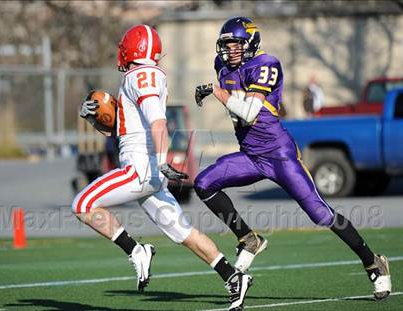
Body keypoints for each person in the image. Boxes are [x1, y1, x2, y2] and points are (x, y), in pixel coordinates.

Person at [194, 17, 391, 300]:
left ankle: (374, 262)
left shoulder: (266, 64)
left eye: (235, 44)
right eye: (226, 45)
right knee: (204, 183)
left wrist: (218, 93)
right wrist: (222, 92)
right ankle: (249, 239)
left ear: (250, 43)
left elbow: (249, 113)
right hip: (251, 155)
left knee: (320, 214)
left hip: (279, 155)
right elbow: (238, 111)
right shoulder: (222, 66)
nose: (229, 51)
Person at [73, 24, 253, 311]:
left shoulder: (140, 75)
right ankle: (232, 277)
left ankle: (135, 249)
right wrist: (100, 118)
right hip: (149, 171)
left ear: (131, 48)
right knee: (185, 233)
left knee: (82, 204)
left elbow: (158, 122)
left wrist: (160, 162)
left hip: (142, 169)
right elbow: (131, 127)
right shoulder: (146, 75)